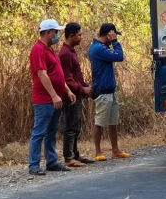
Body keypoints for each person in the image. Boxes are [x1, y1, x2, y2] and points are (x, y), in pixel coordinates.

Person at [28, 19, 76, 175]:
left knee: (51, 131)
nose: (57, 35)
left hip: (57, 98)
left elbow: (57, 75)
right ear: (48, 32)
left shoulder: (50, 50)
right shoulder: (38, 50)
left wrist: (67, 90)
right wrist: (54, 95)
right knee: (39, 132)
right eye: (56, 32)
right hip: (44, 99)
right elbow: (42, 74)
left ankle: (51, 161)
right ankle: (34, 164)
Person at [88, 23, 132, 161]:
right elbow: (119, 56)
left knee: (113, 122)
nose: (114, 37)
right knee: (100, 122)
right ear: (108, 34)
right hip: (102, 90)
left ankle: (115, 150)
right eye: (113, 35)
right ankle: (98, 152)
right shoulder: (98, 48)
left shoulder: (103, 48)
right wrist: (115, 42)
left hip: (110, 90)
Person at [59, 22, 95, 167]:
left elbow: (76, 76)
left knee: (76, 126)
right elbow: (67, 79)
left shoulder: (72, 51)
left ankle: (75, 154)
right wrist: (82, 89)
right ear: (71, 36)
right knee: (70, 126)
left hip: (77, 94)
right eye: (79, 35)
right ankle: (68, 157)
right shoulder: (65, 54)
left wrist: (86, 86)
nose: (81, 38)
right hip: (70, 97)